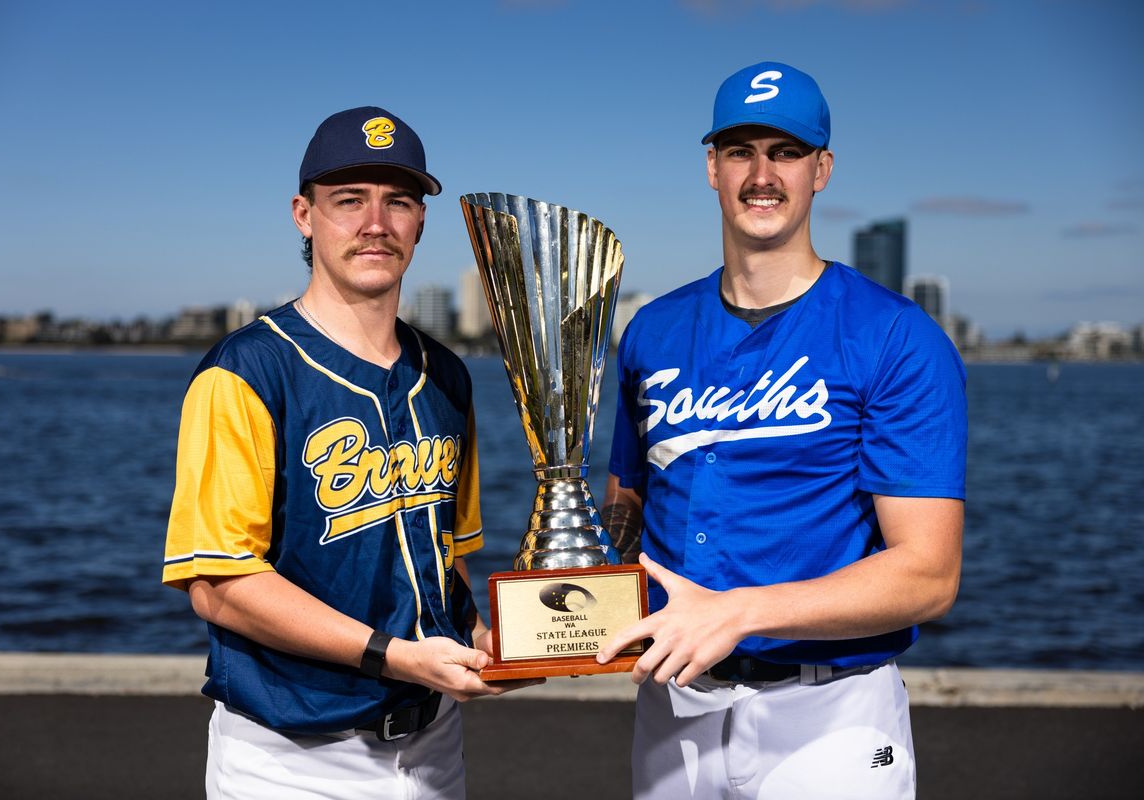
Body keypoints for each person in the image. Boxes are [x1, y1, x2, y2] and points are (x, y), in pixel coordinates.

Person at [596, 62, 967, 798]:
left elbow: (928, 574)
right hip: (677, 708)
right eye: (740, 150)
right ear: (712, 166)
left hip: (830, 715)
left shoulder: (895, 335)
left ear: (821, 170)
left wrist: (742, 612)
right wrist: (556, 611)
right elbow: (628, 503)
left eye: (786, 152)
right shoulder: (652, 329)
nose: (761, 174)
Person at [162, 106, 532, 799]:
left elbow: (445, 560)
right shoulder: (244, 372)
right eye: (349, 201)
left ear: (421, 222)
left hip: (435, 745)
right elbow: (218, 587)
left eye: (398, 202)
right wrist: (395, 657)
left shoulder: (446, 374)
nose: (375, 223)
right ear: (304, 214)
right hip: (292, 758)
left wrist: (491, 639)